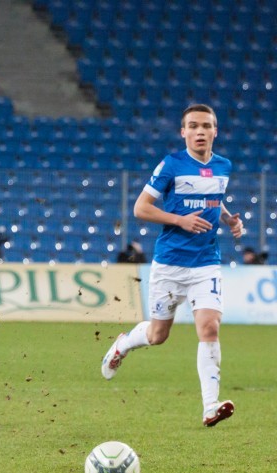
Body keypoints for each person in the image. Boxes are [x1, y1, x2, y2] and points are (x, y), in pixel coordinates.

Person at [101, 103, 244, 428]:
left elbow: (214, 196)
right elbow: (141, 208)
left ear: (215, 131)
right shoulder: (171, 165)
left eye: (206, 126)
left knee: (209, 327)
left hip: (206, 263)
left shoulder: (223, 166)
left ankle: (210, 407)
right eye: (193, 126)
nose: (200, 131)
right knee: (157, 335)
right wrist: (180, 220)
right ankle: (124, 344)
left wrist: (228, 219)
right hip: (170, 264)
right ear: (183, 132)